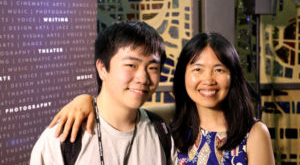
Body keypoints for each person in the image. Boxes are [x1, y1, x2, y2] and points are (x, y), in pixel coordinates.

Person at [50, 32, 275, 164]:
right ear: (183, 77)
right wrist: (86, 100)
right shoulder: (172, 125)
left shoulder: (253, 133)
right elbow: (125, 110)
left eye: (219, 69)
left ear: (233, 76)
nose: (208, 80)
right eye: (197, 70)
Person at [30, 20, 176, 165]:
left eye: (153, 68)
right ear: (102, 69)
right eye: (131, 65)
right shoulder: (62, 138)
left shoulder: (161, 132)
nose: (143, 78)